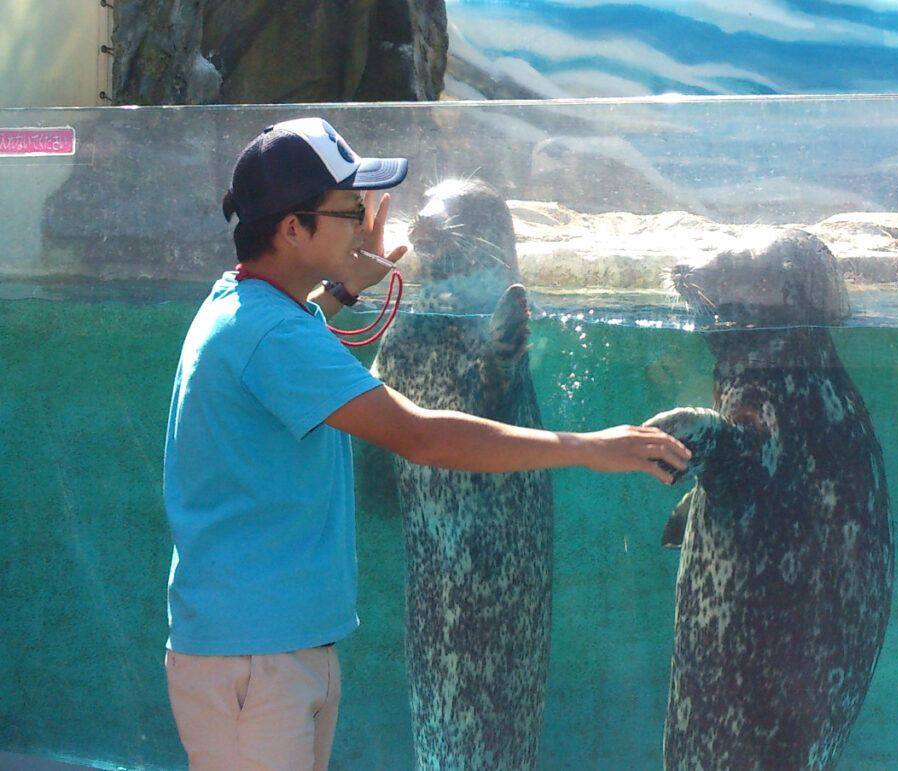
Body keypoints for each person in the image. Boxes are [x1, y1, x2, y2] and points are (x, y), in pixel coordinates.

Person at [162, 116, 691, 771]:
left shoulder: (242, 305)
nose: (365, 220)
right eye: (348, 209)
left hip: (266, 645)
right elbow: (419, 436)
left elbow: (291, 334)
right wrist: (588, 446)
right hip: (254, 657)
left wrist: (347, 286)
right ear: (293, 228)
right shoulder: (274, 338)